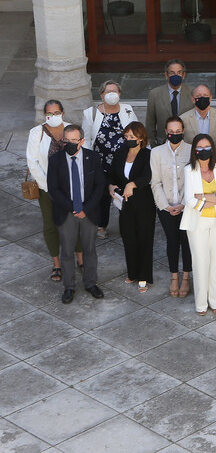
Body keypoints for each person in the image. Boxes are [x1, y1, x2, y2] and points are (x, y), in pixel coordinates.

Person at [47, 125, 105, 304]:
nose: (70, 144)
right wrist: (74, 208)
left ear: (81, 141)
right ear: (63, 141)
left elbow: (100, 185)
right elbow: (53, 189)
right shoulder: (56, 159)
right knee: (66, 251)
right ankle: (69, 287)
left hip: (88, 212)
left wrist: (85, 209)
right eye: (67, 141)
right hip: (67, 212)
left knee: (89, 249)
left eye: (74, 141)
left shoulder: (93, 158)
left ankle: (90, 283)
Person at [27, 100, 83, 282]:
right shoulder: (36, 133)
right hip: (47, 189)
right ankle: (57, 264)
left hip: (71, 187)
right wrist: (49, 186)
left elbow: (82, 153)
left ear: (63, 113)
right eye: (49, 114)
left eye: (57, 112)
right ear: (45, 115)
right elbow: (33, 162)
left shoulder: (71, 129)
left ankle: (81, 260)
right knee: (51, 225)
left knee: (76, 222)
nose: (53, 116)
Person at [180, 134, 216, 315]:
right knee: (201, 262)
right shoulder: (189, 170)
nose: (204, 151)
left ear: (213, 148)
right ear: (195, 150)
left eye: (207, 147)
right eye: (200, 148)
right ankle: (201, 303)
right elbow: (189, 200)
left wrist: (201, 197)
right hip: (197, 222)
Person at [86, 79, 138, 239]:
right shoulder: (91, 113)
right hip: (101, 163)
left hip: (123, 162)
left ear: (120, 94)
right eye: (108, 92)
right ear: (101, 95)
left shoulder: (127, 110)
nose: (111, 95)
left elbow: (137, 131)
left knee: (126, 193)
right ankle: (101, 225)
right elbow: (87, 139)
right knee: (102, 195)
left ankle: (128, 225)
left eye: (114, 91)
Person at [110, 123, 156, 293]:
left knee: (144, 239)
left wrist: (133, 184)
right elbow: (113, 173)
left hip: (144, 203)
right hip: (125, 203)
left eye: (132, 137)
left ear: (141, 138)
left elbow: (148, 176)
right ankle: (132, 272)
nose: (128, 140)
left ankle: (143, 276)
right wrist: (110, 186)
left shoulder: (148, 155)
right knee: (128, 237)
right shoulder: (121, 152)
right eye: (126, 137)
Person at [150, 117, 193, 298]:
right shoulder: (156, 152)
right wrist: (166, 206)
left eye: (178, 132)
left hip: (187, 205)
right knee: (172, 241)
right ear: (165, 131)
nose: (174, 135)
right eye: (171, 132)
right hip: (166, 207)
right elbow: (155, 182)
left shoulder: (192, 150)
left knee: (187, 241)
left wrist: (184, 204)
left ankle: (186, 277)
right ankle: (174, 276)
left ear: (183, 130)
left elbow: (193, 180)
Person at [146, 59, 193, 147]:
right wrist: (152, 144)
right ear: (166, 75)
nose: (176, 75)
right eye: (172, 73)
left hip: (187, 143)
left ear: (183, 75)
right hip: (162, 143)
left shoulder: (192, 93)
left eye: (179, 72)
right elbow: (150, 123)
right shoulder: (155, 94)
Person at [180, 84, 216, 157]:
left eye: (205, 95)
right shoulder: (183, 119)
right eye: (199, 96)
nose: (202, 98)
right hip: (191, 161)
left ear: (210, 98)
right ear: (193, 99)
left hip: (214, 161)